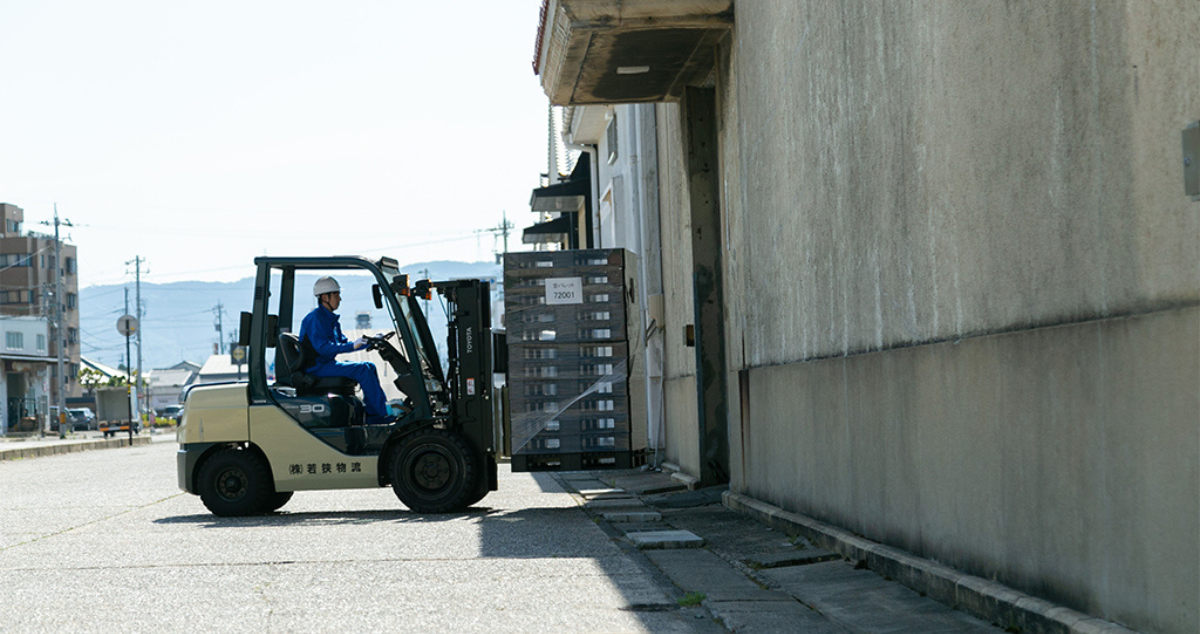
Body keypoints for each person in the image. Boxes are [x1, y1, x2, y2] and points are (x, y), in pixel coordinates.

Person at [299, 276, 393, 425]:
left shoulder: (331, 319)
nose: (340, 299)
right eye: (336, 295)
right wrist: (352, 346)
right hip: (317, 368)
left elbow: (344, 342)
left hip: (326, 365)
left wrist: (369, 341)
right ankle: (378, 418)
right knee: (363, 370)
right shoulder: (315, 319)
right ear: (325, 297)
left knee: (370, 366)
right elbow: (323, 348)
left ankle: (376, 414)